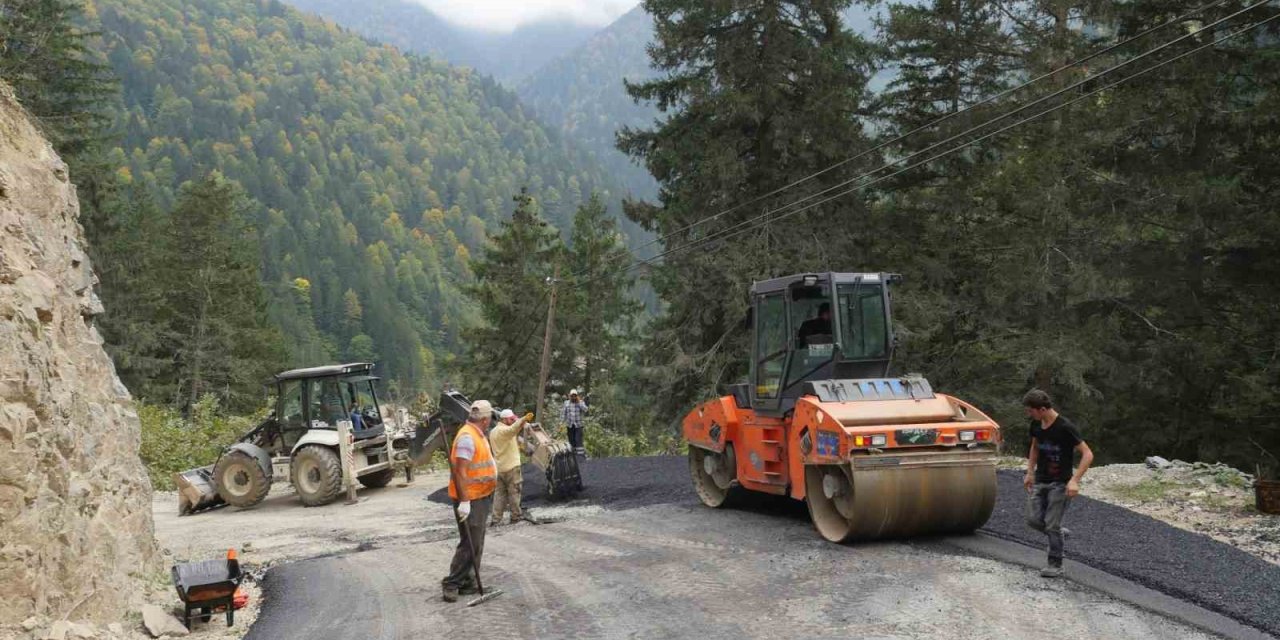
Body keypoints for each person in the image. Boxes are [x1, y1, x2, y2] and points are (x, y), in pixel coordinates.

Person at [1022, 389, 1094, 578]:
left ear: (1043, 409)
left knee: (1051, 525)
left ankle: (1055, 564)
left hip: (1060, 484)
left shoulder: (1065, 427)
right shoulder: (1036, 425)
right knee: (1033, 520)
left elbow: (1087, 454)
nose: (1029, 414)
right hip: (1040, 480)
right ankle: (1059, 534)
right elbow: (1035, 447)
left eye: (1031, 411)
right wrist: (1030, 472)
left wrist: (1075, 480)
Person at [441, 400, 498, 602]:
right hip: (470, 498)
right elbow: (460, 471)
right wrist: (464, 502)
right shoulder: (467, 437)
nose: (490, 420)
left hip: (480, 495)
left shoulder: (476, 433)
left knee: (477, 541)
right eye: (490, 418)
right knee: (470, 543)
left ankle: (467, 582)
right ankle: (451, 583)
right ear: (484, 419)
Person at [489, 408, 533, 526]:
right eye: (511, 419)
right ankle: (515, 516)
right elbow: (513, 429)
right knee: (514, 492)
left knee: (499, 495)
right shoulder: (505, 431)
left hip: (499, 468)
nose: (512, 420)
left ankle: (496, 519)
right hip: (511, 467)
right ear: (504, 419)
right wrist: (523, 419)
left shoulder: (493, 432)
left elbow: (509, 437)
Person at [561, 389, 588, 457]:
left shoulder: (580, 402)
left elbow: (585, 409)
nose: (573, 397)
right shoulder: (566, 403)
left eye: (574, 396)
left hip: (578, 425)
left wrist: (579, 402)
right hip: (569, 425)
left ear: (576, 396)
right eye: (572, 396)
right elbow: (563, 413)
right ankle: (574, 455)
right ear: (569, 396)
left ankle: (581, 456)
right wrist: (561, 422)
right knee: (571, 440)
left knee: (578, 439)